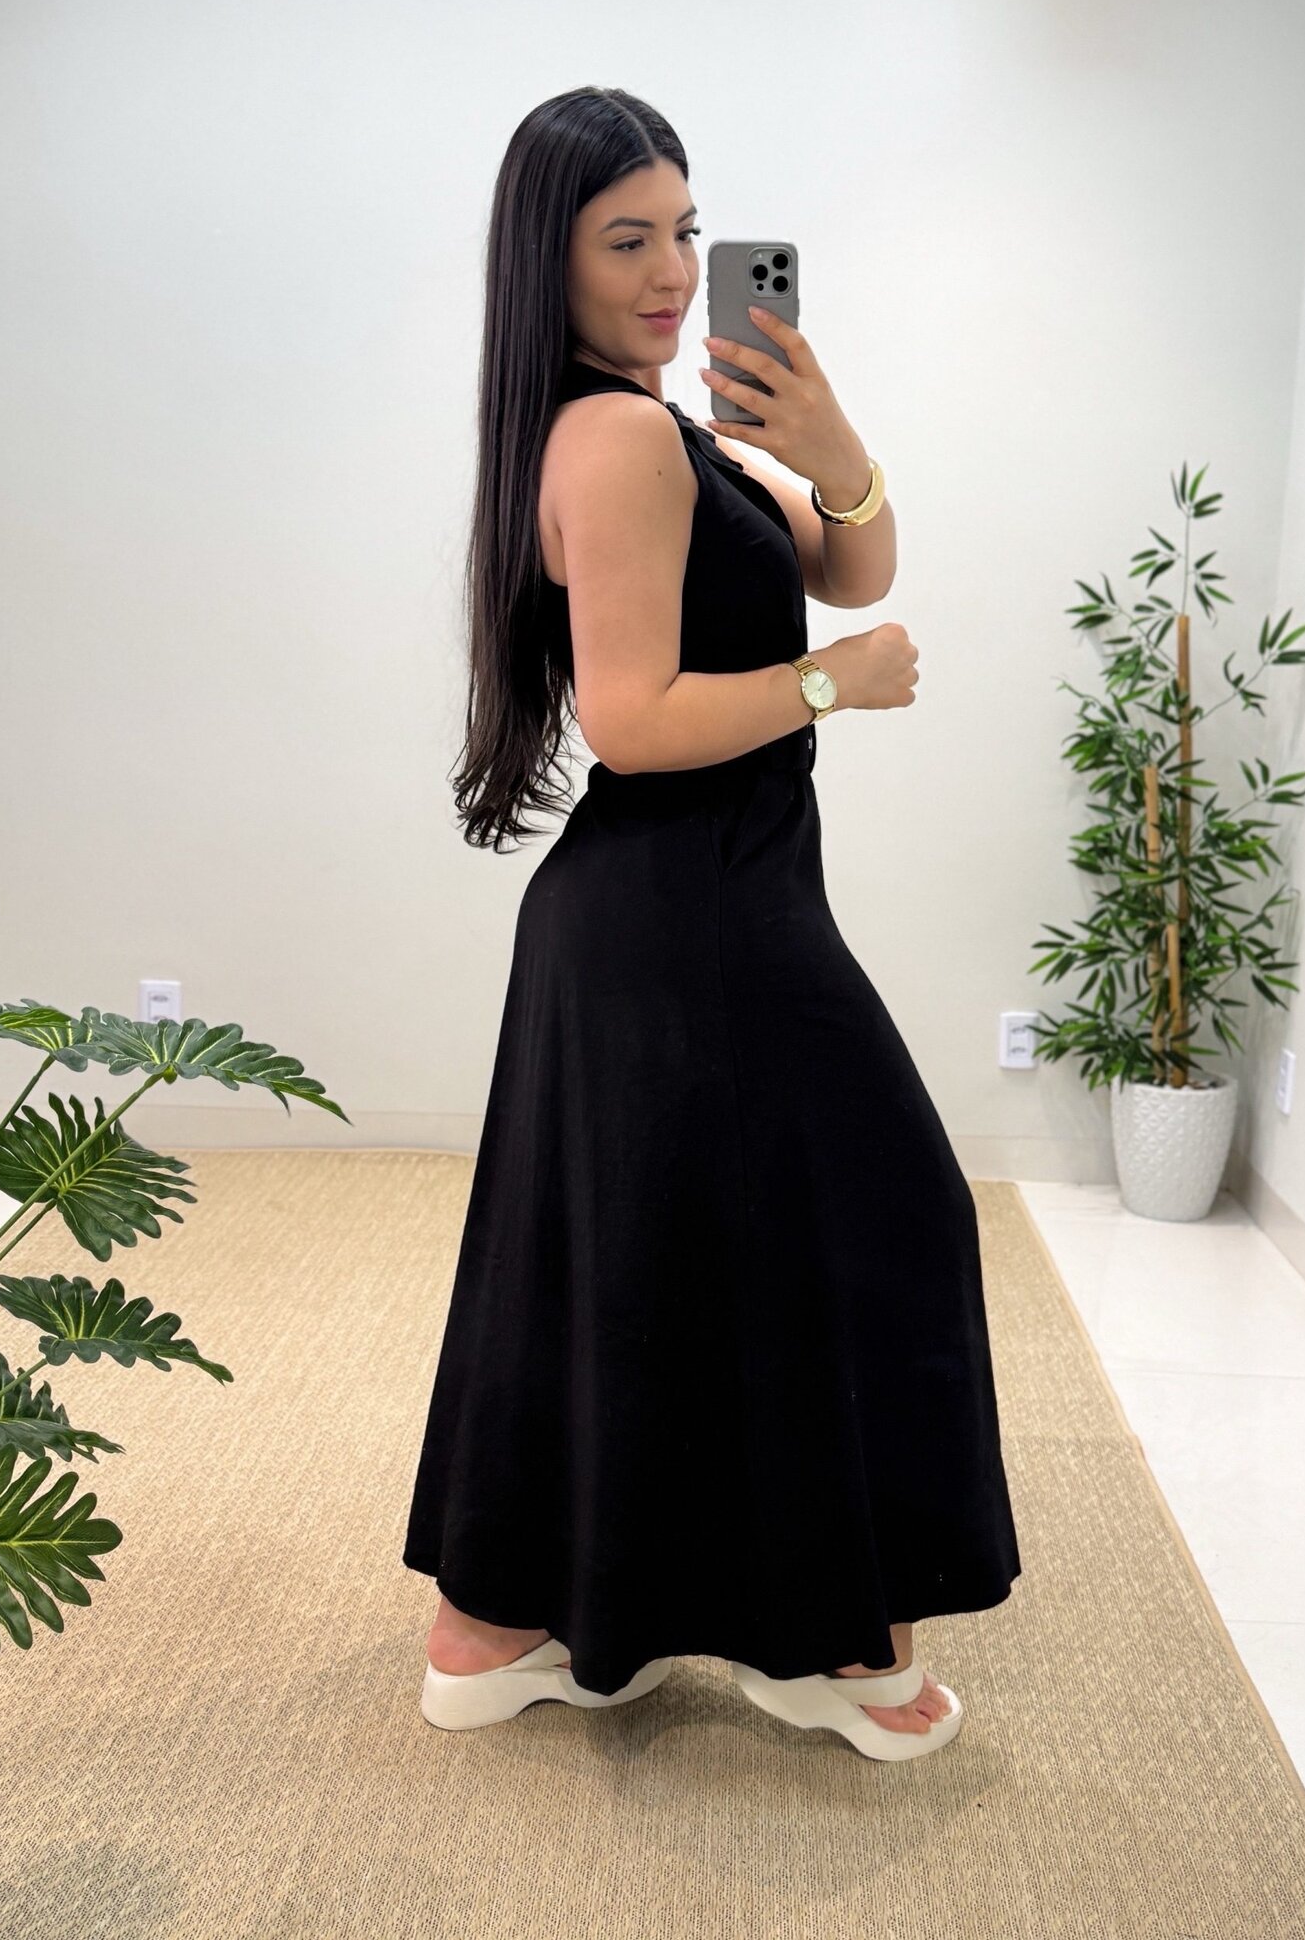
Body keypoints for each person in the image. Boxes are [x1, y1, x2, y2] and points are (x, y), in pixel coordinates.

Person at [403, 86, 1021, 1763]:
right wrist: (834, 687)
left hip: (689, 904)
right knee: (887, 1218)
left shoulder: (661, 427)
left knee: (656, 1264)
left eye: (684, 230)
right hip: (685, 911)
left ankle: (510, 1627)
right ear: (550, 262)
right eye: (628, 241)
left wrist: (835, 450)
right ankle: (819, 1640)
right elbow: (633, 717)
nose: (675, 271)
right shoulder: (614, 439)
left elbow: (852, 565)